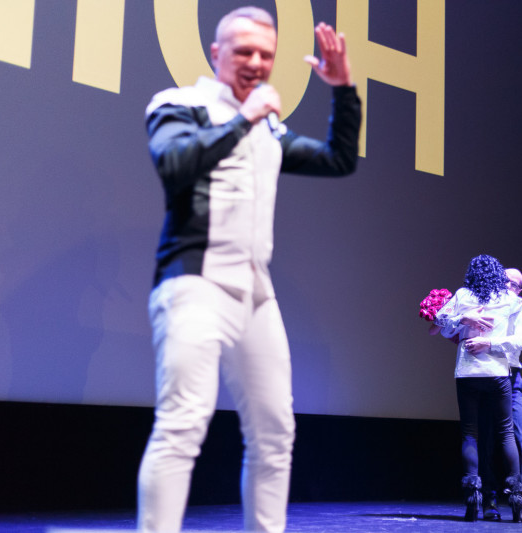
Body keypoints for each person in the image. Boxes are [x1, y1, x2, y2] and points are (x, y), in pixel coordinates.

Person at [136, 7, 361, 533]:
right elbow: (173, 166)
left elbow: (338, 160)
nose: (256, 62)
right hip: (195, 282)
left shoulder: (268, 128)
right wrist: (244, 119)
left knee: (275, 431)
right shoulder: (180, 104)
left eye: (266, 53)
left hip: (256, 293)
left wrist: (343, 89)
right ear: (216, 53)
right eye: (243, 51)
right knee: (182, 424)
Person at [433, 255, 522, 522]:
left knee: (470, 434)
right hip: (497, 372)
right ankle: (517, 498)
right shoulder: (510, 300)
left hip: (468, 372)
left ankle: (473, 496)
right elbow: (517, 336)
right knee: (506, 433)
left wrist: (463, 318)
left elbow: (440, 321)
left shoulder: (463, 295)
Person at [473, 268, 522, 522]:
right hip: (486, 377)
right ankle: (490, 499)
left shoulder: (521, 313)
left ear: (519, 289)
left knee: (521, 437)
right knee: (487, 439)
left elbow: (520, 341)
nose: (506, 286)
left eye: (512, 284)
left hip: (511, 378)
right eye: (503, 281)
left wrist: (490, 344)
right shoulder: (484, 309)